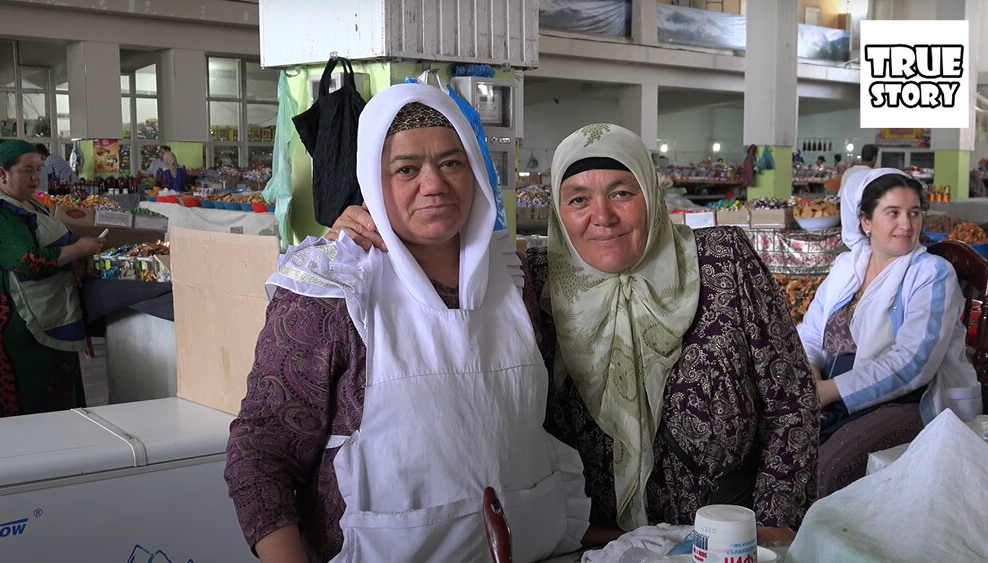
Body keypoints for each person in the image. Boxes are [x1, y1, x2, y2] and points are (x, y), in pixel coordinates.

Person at [328, 124, 819, 544]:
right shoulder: (531, 280)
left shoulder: (721, 263)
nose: (601, 216)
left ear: (651, 192)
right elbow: (441, 260)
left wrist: (775, 523)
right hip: (597, 544)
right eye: (578, 199)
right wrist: (369, 231)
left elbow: (792, 400)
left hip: (730, 539)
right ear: (559, 213)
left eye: (623, 193)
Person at [224, 84, 590, 562]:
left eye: (451, 162)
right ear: (373, 182)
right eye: (406, 169)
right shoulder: (332, 290)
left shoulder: (514, 277)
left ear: (476, 170)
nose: (434, 184)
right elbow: (261, 453)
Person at [798, 168, 982, 446]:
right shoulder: (846, 268)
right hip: (830, 393)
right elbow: (810, 333)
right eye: (893, 212)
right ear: (865, 221)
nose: (907, 225)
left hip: (905, 400)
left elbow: (912, 362)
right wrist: (812, 379)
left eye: (915, 213)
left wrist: (828, 391)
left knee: (829, 468)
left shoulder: (932, 273)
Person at [0, 139, 105, 418]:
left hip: (49, 310)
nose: (35, 177)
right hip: (19, 321)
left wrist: (73, 260)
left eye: (38, 169)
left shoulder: (28, 203)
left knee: (59, 396)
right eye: (27, 170)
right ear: (2, 174)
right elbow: (26, 261)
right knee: (29, 397)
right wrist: (77, 250)